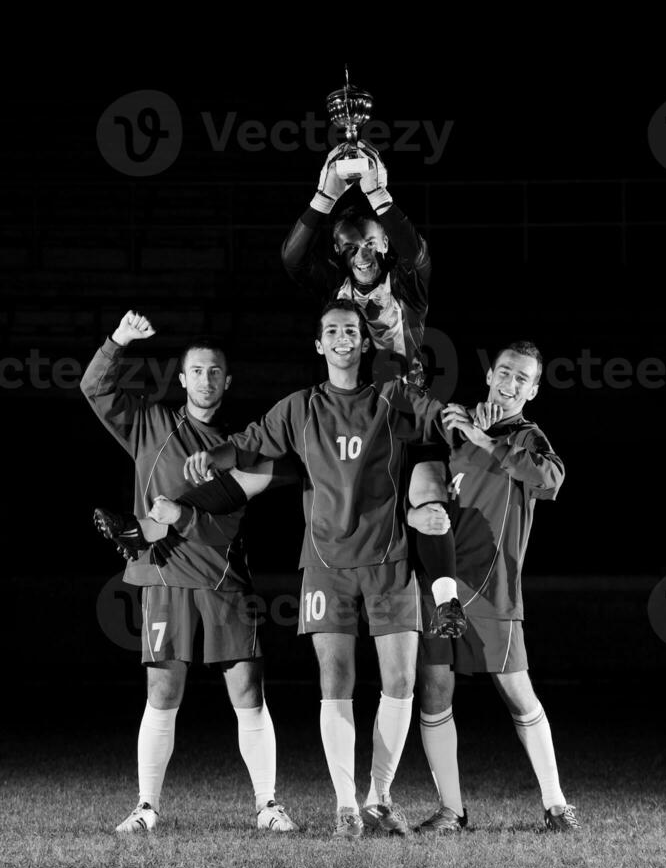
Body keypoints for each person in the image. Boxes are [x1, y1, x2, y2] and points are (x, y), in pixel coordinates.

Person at [183, 299, 451, 839]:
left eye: (351, 330)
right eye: (332, 331)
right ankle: (346, 806)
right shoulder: (300, 408)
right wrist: (212, 457)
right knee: (337, 681)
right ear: (319, 344)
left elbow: (434, 414)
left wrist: (456, 419)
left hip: (390, 558)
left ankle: (379, 797)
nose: (342, 338)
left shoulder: (390, 399)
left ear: (364, 341)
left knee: (401, 682)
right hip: (327, 565)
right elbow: (250, 442)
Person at [81, 310, 299, 835]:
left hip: (224, 577)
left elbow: (230, 524)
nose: (205, 379)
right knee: (163, 694)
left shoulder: (243, 445)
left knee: (249, 693)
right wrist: (118, 341)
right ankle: (146, 807)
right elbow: (93, 386)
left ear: (228, 381)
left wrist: (182, 516)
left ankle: (267, 805)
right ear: (181, 380)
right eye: (196, 371)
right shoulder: (150, 425)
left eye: (214, 371)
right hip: (164, 578)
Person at [281, 144, 465, 638]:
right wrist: (324, 196)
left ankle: (447, 602)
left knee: (428, 503)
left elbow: (418, 249)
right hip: (352, 418)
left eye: (368, 244)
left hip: (404, 411)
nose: (358, 255)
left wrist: (378, 194)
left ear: (384, 245)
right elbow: (291, 257)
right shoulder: (332, 289)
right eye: (346, 246)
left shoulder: (408, 283)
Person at [409, 342, 579, 834]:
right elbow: (417, 477)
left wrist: (486, 441)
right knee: (435, 689)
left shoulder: (529, 437)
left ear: (534, 390)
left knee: (517, 692)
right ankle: (452, 809)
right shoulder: (452, 426)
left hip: (495, 588)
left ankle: (556, 804)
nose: (510, 383)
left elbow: (552, 479)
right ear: (489, 375)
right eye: (504, 372)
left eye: (522, 378)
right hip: (441, 586)